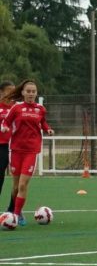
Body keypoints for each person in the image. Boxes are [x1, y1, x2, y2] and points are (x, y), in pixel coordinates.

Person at [0, 80, 54, 226]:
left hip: (31, 151)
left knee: (23, 185)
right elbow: (6, 121)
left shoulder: (40, 109)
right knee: (15, 186)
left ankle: (16, 215)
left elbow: (43, 123)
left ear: (36, 93)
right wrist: (5, 127)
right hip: (15, 150)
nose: (31, 94)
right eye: (28, 91)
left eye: (33, 91)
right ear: (23, 93)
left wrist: (48, 129)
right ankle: (14, 211)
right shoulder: (16, 108)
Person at [0, 80, 16, 214]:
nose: (12, 93)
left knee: (19, 180)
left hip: (16, 147)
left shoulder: (16, 107)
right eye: (9, 91)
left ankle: (13, 209)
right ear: (1, 92)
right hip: (2, 146)